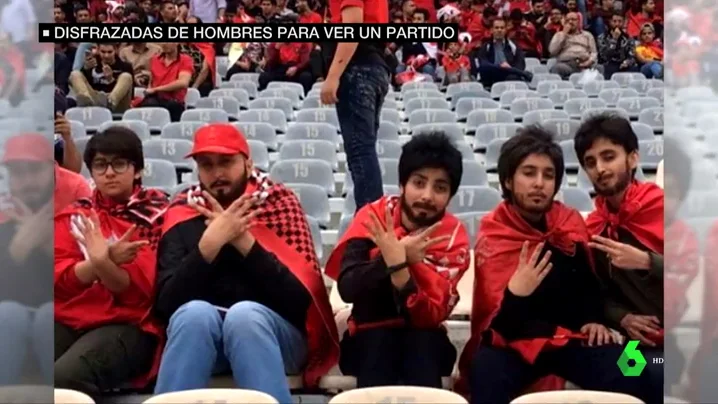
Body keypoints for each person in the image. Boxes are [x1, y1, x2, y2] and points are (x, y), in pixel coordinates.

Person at [458, 126, 658, 404]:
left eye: (548, 175)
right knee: (485, 371)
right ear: (507, 180)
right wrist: (517, 294)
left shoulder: (570, 222)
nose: (539, 183)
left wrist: (594, 320)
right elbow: (497, 325)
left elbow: (589, 287)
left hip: (577, 339)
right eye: (529, 173)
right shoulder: (495, 233)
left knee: (635, 369)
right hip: (515, 344)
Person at [153, 124, 338, 403]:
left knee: (244, 317)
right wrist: (207, 248)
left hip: (275, 339)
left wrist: (244, 243)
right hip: (203, 342)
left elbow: (300, 301)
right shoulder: (182, 212)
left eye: (226, 162)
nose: (216, 174)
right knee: (194, 315)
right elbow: (165, 306)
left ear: (248, 163)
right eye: (206, 165)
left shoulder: (278, 204)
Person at [325, 133, 469, 388]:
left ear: (450, 196)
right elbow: (348, 287)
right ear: (403, 185)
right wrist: (391, 260)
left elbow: (432, 314)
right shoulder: (372, 218)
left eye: (440, 187)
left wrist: (400, 267)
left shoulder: (452, 238)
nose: (427, 195)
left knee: (421, 346)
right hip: (367, 336)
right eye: (419, 182)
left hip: (426, 338)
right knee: (379, 344)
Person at [54, 127, 169, 397]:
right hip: (70, 317)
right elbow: (56, 281)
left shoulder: (156, 215)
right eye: (100, 165)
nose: (109, 172)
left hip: (129, 326)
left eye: (119, 164)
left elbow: (139, 296)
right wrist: (100, 263)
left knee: (63, 378)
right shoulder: (76, 214)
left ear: (137, 170)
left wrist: (101, 264)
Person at [574, 113, 665, 393]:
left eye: (608, 156)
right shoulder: (593, 229)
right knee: (627, 376)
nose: (600, 168)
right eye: (591, 162)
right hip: (636, 342)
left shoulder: (666, 209)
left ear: (633, 158)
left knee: (661, 371)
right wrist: (623, 317)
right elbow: (595, 294)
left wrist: (649, 262)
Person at [320, 0, 390, 211]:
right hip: (374, 66)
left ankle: (370, 222)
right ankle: (372, 219)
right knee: (363, 150)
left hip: (358, 67)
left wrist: (332, 76)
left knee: (360, 151)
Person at [0, 134, 56, 386]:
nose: (27, 181)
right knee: (8, 315)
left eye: (34, 170)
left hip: (66, 322)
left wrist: (47, 247)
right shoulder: (4, 219)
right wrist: (16, 252)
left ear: (52, 170)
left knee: (47, 315)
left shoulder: (75, 209)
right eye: (18, 173)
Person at [69, 43, 134, 112]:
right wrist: (85, 70)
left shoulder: (125, 66)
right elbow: (81, 84)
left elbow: (131, 94)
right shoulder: (92, 64)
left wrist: (111, 80)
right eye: (103, 52)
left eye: (110, 52)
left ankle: (110, 102)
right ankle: (86, 103)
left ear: (116, 50)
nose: (106, 55)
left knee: (126, 76)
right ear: (98, 50)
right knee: (75, 74)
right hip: (95, 99)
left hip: (117, 102)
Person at [138, 42, 193, 122]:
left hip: (174, 102)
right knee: (148, 104)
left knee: (173, 106)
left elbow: (183, 83)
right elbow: (151, 82)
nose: (164, 44)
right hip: (156, 99)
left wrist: (157, 89)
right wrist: (151, 90)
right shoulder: (155, 59)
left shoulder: (185, 60)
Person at [473, 18, 532, 88]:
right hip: (492, 78)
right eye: (496, 28)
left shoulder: (514, 46)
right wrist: (502, 68)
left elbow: (521, 64)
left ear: (506, 30)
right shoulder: (485, 46)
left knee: (513, 77)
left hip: (510, 78)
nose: (499, 30)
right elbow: (483, 64)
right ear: (491, 30)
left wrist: (509, 69)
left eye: (502, 28)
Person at [548, 12, 599, 79]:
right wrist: (564, 34)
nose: (570, 22)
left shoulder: (587, 35)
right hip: (567, 64)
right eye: (568, 20)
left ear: (578, 21)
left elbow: (594, 52)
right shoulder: (559, 35)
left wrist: (589, 62)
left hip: (585, 64)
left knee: (599, 68)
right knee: (556, 68)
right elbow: (552, 51)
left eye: (573, 19)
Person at [597, 12, 637, 79]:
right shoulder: (602, 37)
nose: (617, 24)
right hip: (608, 64)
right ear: (610, 22)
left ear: (623, 22)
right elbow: (605, 56)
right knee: (609, 68)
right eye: (614, 21)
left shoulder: (629, 38)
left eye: (620, 21)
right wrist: (614, 39)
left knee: (634, 68)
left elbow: (632, 56)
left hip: (623, 64)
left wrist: (627, 62)